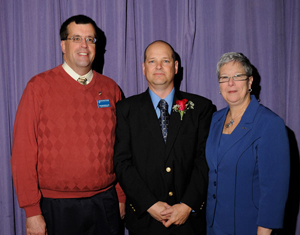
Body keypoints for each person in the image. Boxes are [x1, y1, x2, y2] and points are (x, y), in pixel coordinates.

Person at [11, 15, 125, 235]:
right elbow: (22, 152)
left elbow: (121, 149)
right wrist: (32, 211)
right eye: (76, 38)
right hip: (55, 206)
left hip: (105, 202)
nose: (84, 45)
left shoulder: (111, 89)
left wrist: (120, 195)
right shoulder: (38, 87)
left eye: (90, 39)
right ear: (63, 45)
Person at [113, 40, 216, 235]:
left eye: (165, 61)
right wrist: (149, 203)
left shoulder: (201, 108)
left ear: (176, 67)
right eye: (152, 61)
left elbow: (205, 160)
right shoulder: (126, 110)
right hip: (144, 221)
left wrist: (187, 205)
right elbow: (122, 163)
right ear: (144, 68)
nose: (158, 67)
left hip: (189, 223)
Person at [205, 52, 290, 235]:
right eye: (224, 78)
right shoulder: (214, 119)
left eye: (238, 76)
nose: (231, 83)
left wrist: (264, 231)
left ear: (250, 82)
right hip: (214, 225)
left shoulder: (269, 124)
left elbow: (274, 190)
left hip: (249, 227)